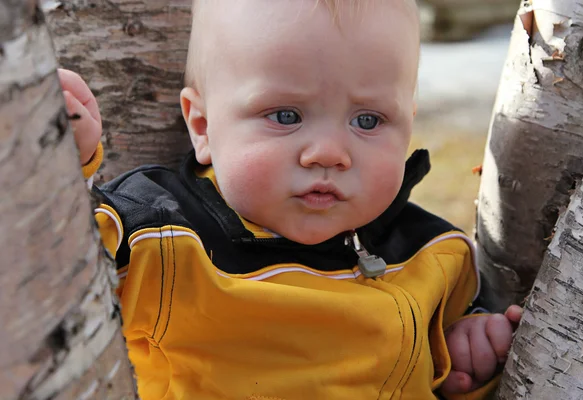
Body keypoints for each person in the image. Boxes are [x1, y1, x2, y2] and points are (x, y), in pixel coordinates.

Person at [59, 0, 522, 398]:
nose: (329, 153)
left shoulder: (434, 256)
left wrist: (466, 352)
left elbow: (433, 371)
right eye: (285, 115)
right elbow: (51, 272)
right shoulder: (162, 239)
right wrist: (61, 164)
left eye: (368, 121)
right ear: (202, 127)